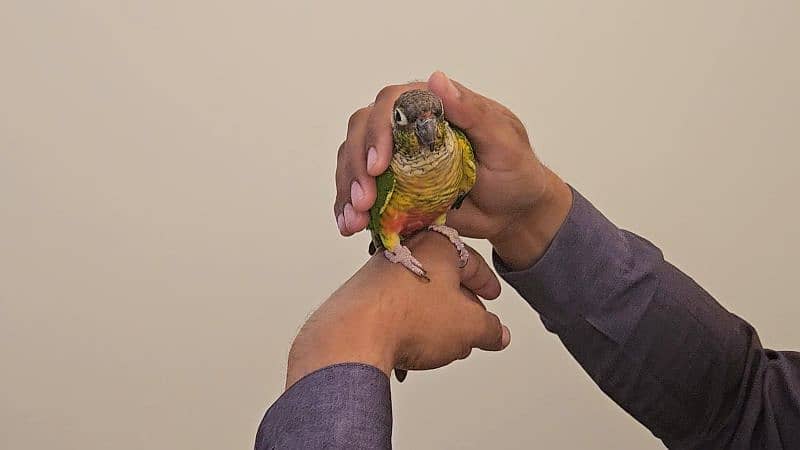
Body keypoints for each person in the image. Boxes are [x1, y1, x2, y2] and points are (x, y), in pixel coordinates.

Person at [256, 72, 800, 449]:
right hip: (402, 228)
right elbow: (749, 405)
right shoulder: (403, 167)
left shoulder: (459, 158)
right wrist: (530, 214)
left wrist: (340, 352)